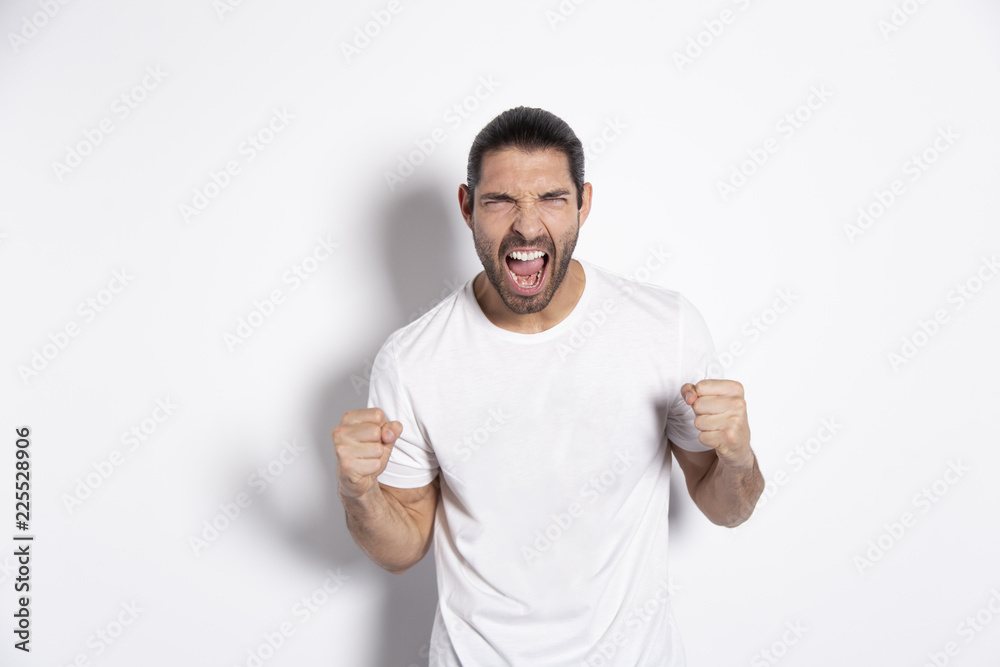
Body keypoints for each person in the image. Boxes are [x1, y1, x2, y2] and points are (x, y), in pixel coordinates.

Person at [333, 106, 765, 666]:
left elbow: (728, 509)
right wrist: (359, 494)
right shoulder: (412, 359)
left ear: (583, 203)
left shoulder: (664, 327)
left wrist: (737, 457)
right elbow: (403, 548)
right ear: (467, 207)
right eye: (500, 200)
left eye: (552, 199)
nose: (528, 226)